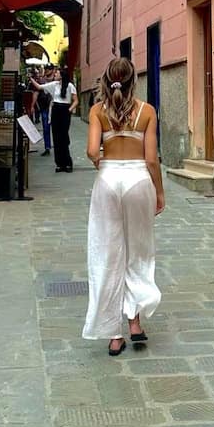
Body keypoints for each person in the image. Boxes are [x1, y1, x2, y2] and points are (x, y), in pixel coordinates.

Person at [82, 57, 164, 356]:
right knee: (138, 251)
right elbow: (152, 159)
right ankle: (135, 322)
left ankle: (113, 334)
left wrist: (101, 163)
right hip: (138, 180)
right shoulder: (147, 111)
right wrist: (160, 192)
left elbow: (92, 151)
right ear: (134, 80)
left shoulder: (97, 111)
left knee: (106, 253)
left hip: (108, 180)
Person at [29, 67, 78, 171]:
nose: (55, 75)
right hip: (56, 110)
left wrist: (70, 110)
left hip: (65, 110)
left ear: (62, 76)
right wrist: (31, 79)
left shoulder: (70, 86)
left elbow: (75, 101)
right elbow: (39, 86)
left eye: (57, 74)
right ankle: (59, 164)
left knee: (64, 137)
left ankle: (68, 163)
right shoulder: (53, 85)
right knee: (56, 137)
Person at [36, 68, 53, 155]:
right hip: (44, 107)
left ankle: (56, 145)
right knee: (46, 128)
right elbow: (37, 93)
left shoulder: (55, 81)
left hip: (53, 107)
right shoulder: (41, 81)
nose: (47, 71)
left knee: (56, 129)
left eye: (49, 69)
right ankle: (47, 147)